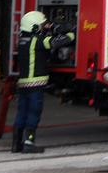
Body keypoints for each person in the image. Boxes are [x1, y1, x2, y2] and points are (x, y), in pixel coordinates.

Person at [11, 10, 75, 154]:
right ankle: (29, 143)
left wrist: (50, 29)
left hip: (23, 84)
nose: (43, 27)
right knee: (34, 113)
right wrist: (72, 33)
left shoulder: (22, 41)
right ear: (34, 28)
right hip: (36, 84)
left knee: (22, 112)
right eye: (41, 26)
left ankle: (16, 144)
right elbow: (56, 42)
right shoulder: (38, 42)